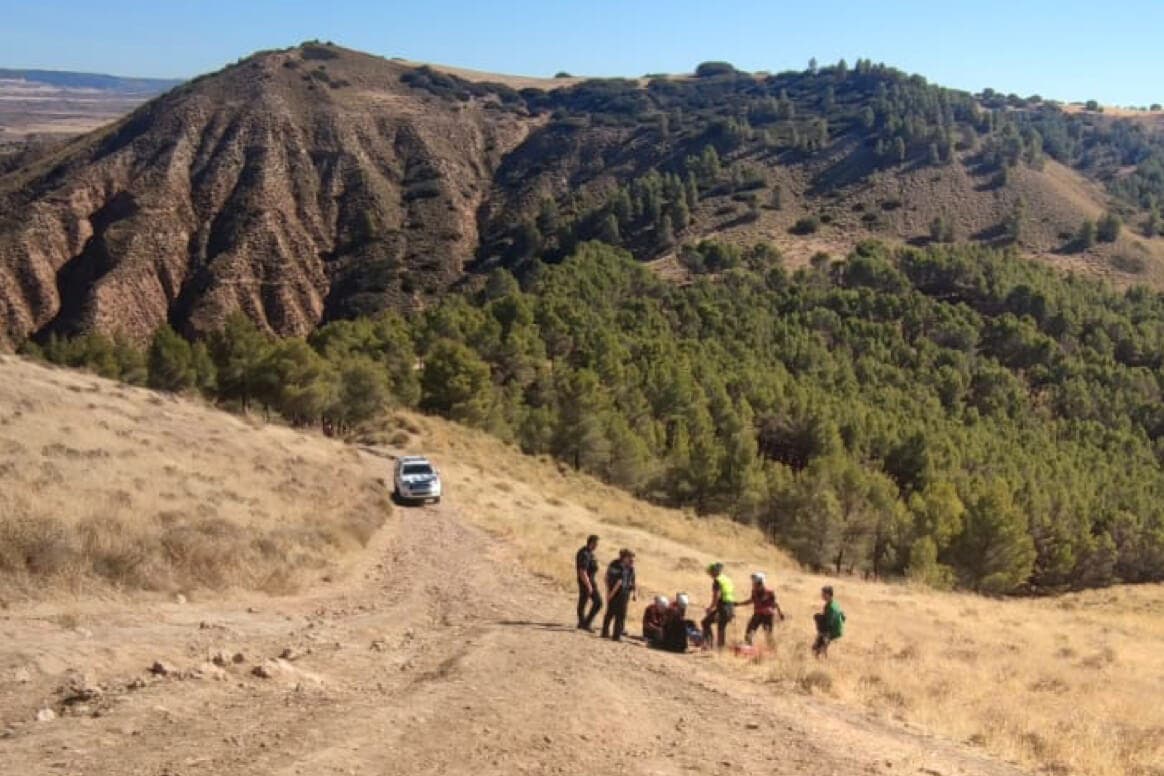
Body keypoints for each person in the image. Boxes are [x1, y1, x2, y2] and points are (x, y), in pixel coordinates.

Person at [737, 572, 785, 645]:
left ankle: (771, 650)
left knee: (768, 635)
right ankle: (748, 647)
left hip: (767, 616)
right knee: (749, 632)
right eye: (753, 583)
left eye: (755, 583)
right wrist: (739, 604)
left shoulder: (769, 592)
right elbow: (751, 600)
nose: (753, 585)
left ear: (761, 583)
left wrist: (780, 613)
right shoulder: (754, 592)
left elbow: (775, 603)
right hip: (757, 615)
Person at [601, 549, 636, 641]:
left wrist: (634, 593)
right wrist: (610, 594)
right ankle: (608, 633)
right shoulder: (616, 565)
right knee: (613, 613)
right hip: (616, 592)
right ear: (624, 557)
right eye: (630, 557)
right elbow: (612, 579)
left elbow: (632, 581)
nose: (632, 559)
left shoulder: (630, 567)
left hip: (624, 593)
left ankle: (613, 634)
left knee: (619, 614)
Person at [700, 562, 736, 650]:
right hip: (730, 607)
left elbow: (717, 596)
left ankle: (710, 646)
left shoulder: (717, 581)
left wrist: (710, 608)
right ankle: (718, 648)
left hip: (723, 607)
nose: (710, 575)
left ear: (714, 571)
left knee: (706, 623)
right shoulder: (726, 579)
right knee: (721, 627)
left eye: (710, 572)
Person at [575, 534, 602, 631]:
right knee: (588, 601)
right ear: (592, 543)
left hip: (591, 581)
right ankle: (583, 623)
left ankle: (584, 622)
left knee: (596, 602)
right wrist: (589, 585)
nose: (597, 546)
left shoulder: (590, 553)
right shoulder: (584, 554)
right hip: (585, 581)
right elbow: (582, 571)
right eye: (596, 543)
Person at [812, 585, 845, 658]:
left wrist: (822, 629)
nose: (822, 595)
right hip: (837, 629)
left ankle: (821, 658)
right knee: (820, 648)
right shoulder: (834, 603)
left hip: (831, 630)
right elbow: (843, 616)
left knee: (817, 649)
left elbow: (830, 623)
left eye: (823, 594)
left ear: (828, 595)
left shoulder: (830, 607)